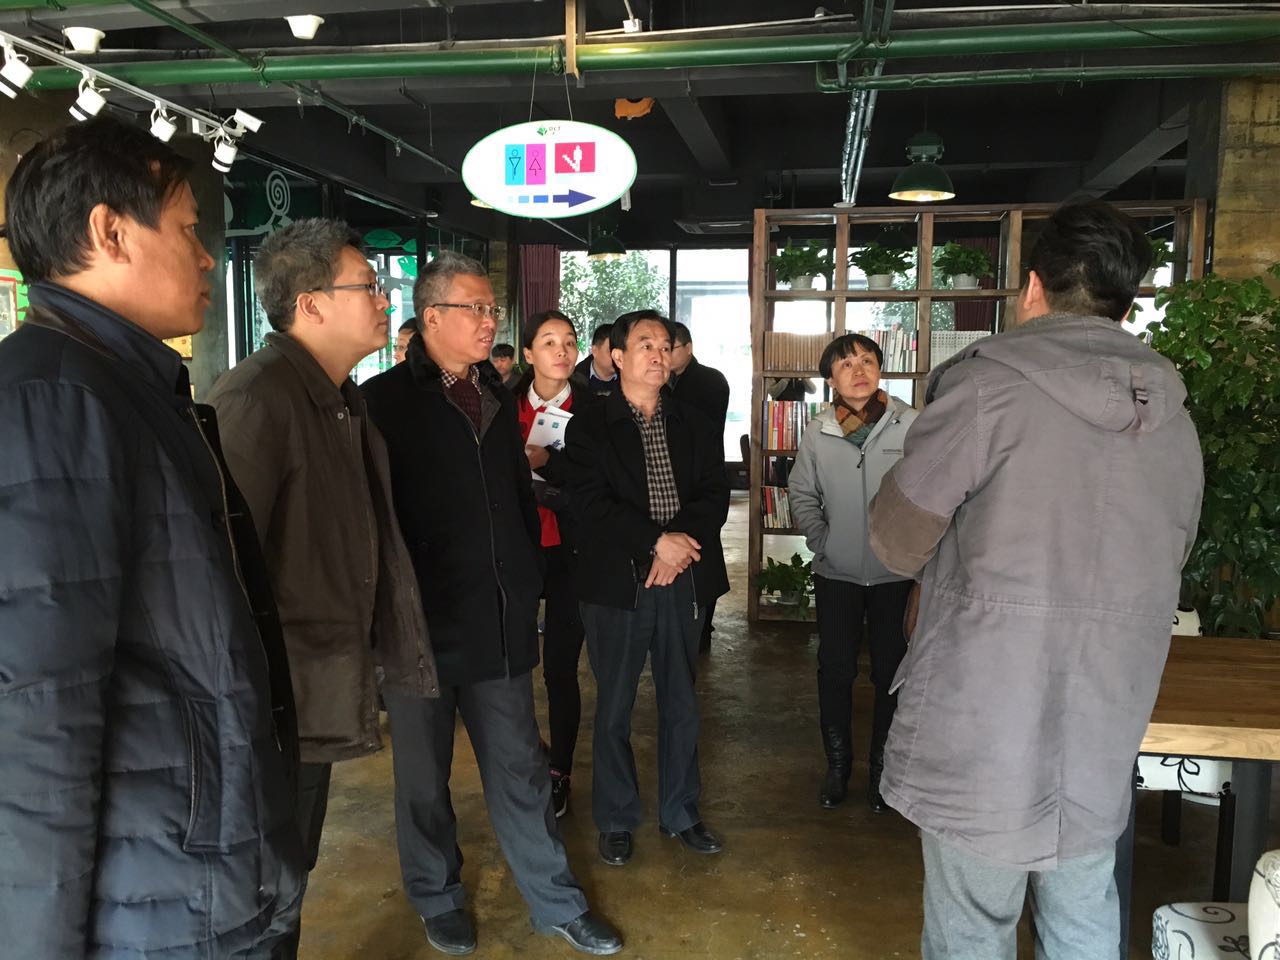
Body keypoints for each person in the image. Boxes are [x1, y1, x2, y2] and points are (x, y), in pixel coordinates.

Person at [0, 115, 303, 957]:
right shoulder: (54, 400)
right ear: (111, 233)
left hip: (197, 867)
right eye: (188, 229)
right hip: (155, 901)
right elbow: (40, 708)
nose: (207, 258)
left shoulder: (124, 386)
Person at [868, 200, 1203, 960]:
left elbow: (894, 540)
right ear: (1125, 304)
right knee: (1083, 911)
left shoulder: (987, 389)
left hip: (985, 708)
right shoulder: (1174, 419)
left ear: (1031, 287)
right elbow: (1172, 554)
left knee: (972, 921)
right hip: (1104, 709)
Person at [362, 253, 621, 957]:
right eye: (473, 309)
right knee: (423, 778)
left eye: (490, 310)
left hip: (497, 619)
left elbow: (515, 496)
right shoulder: (382, 402)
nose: (488, 322)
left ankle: (556, 901)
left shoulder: (498, 397)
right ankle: (437, 896)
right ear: (431, 317)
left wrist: (528, 577)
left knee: (521, 768)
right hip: (417, 628)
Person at [207, 219, 439, 955]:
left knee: (292, 867)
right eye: (368, 286)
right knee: (264, 882)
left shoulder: (337, 397)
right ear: (310, 304)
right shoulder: (257, 399)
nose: (385, 300)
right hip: (272, 699)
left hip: (313, 687)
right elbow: (221, 573)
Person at [565, 309, 729, 868]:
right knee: (615, 704)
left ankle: (681, 810)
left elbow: (714, 492)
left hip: (684, 578)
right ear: (616, 356)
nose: (658, 355)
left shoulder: (694, 420)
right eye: (644, 345)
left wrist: (677, 549)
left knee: (681, 700)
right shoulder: (589, 423)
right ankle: (616, 817)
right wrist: (656, 543)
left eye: (664, 345)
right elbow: (590, 502)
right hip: (617, 583)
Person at [787, 333, 917, 812]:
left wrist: (911, 550)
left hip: (895, 573)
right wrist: (824, 542)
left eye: (867, 361)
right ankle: (838, 767)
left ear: (881, 369)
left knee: (891, 673)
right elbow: (801, 492)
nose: (858, 370)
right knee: (836, 670)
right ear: (831, 379)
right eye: (846, 364)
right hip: (837, 573)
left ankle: (883, 772)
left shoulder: (912, 425)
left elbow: (930, 492)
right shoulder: (818, 430)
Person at [514, 309, 596, 819]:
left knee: (561, 669)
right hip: (518, 550)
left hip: (571, 552)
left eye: (568, 341)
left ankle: (560, 770)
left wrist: (549, 467)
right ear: (528, 353)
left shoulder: (593, 410)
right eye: (548, 342)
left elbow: (598, 481)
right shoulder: (501, 405)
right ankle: (526, 755)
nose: (561, 350)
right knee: (512, 666)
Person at [668, 320, 731, 652]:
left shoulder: (710, 380)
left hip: (703, 474)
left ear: (688, 348)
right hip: (673, 479)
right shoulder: (666, 380)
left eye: (670, 348)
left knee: (702, 551)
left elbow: (703, 427)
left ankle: (703, 625)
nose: (664, 356)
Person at [573, 322, 619, 396]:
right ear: (595, 351)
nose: (617, 357)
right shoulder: (575, 380)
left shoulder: (631, 377)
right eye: (611, 351)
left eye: (621, 351)